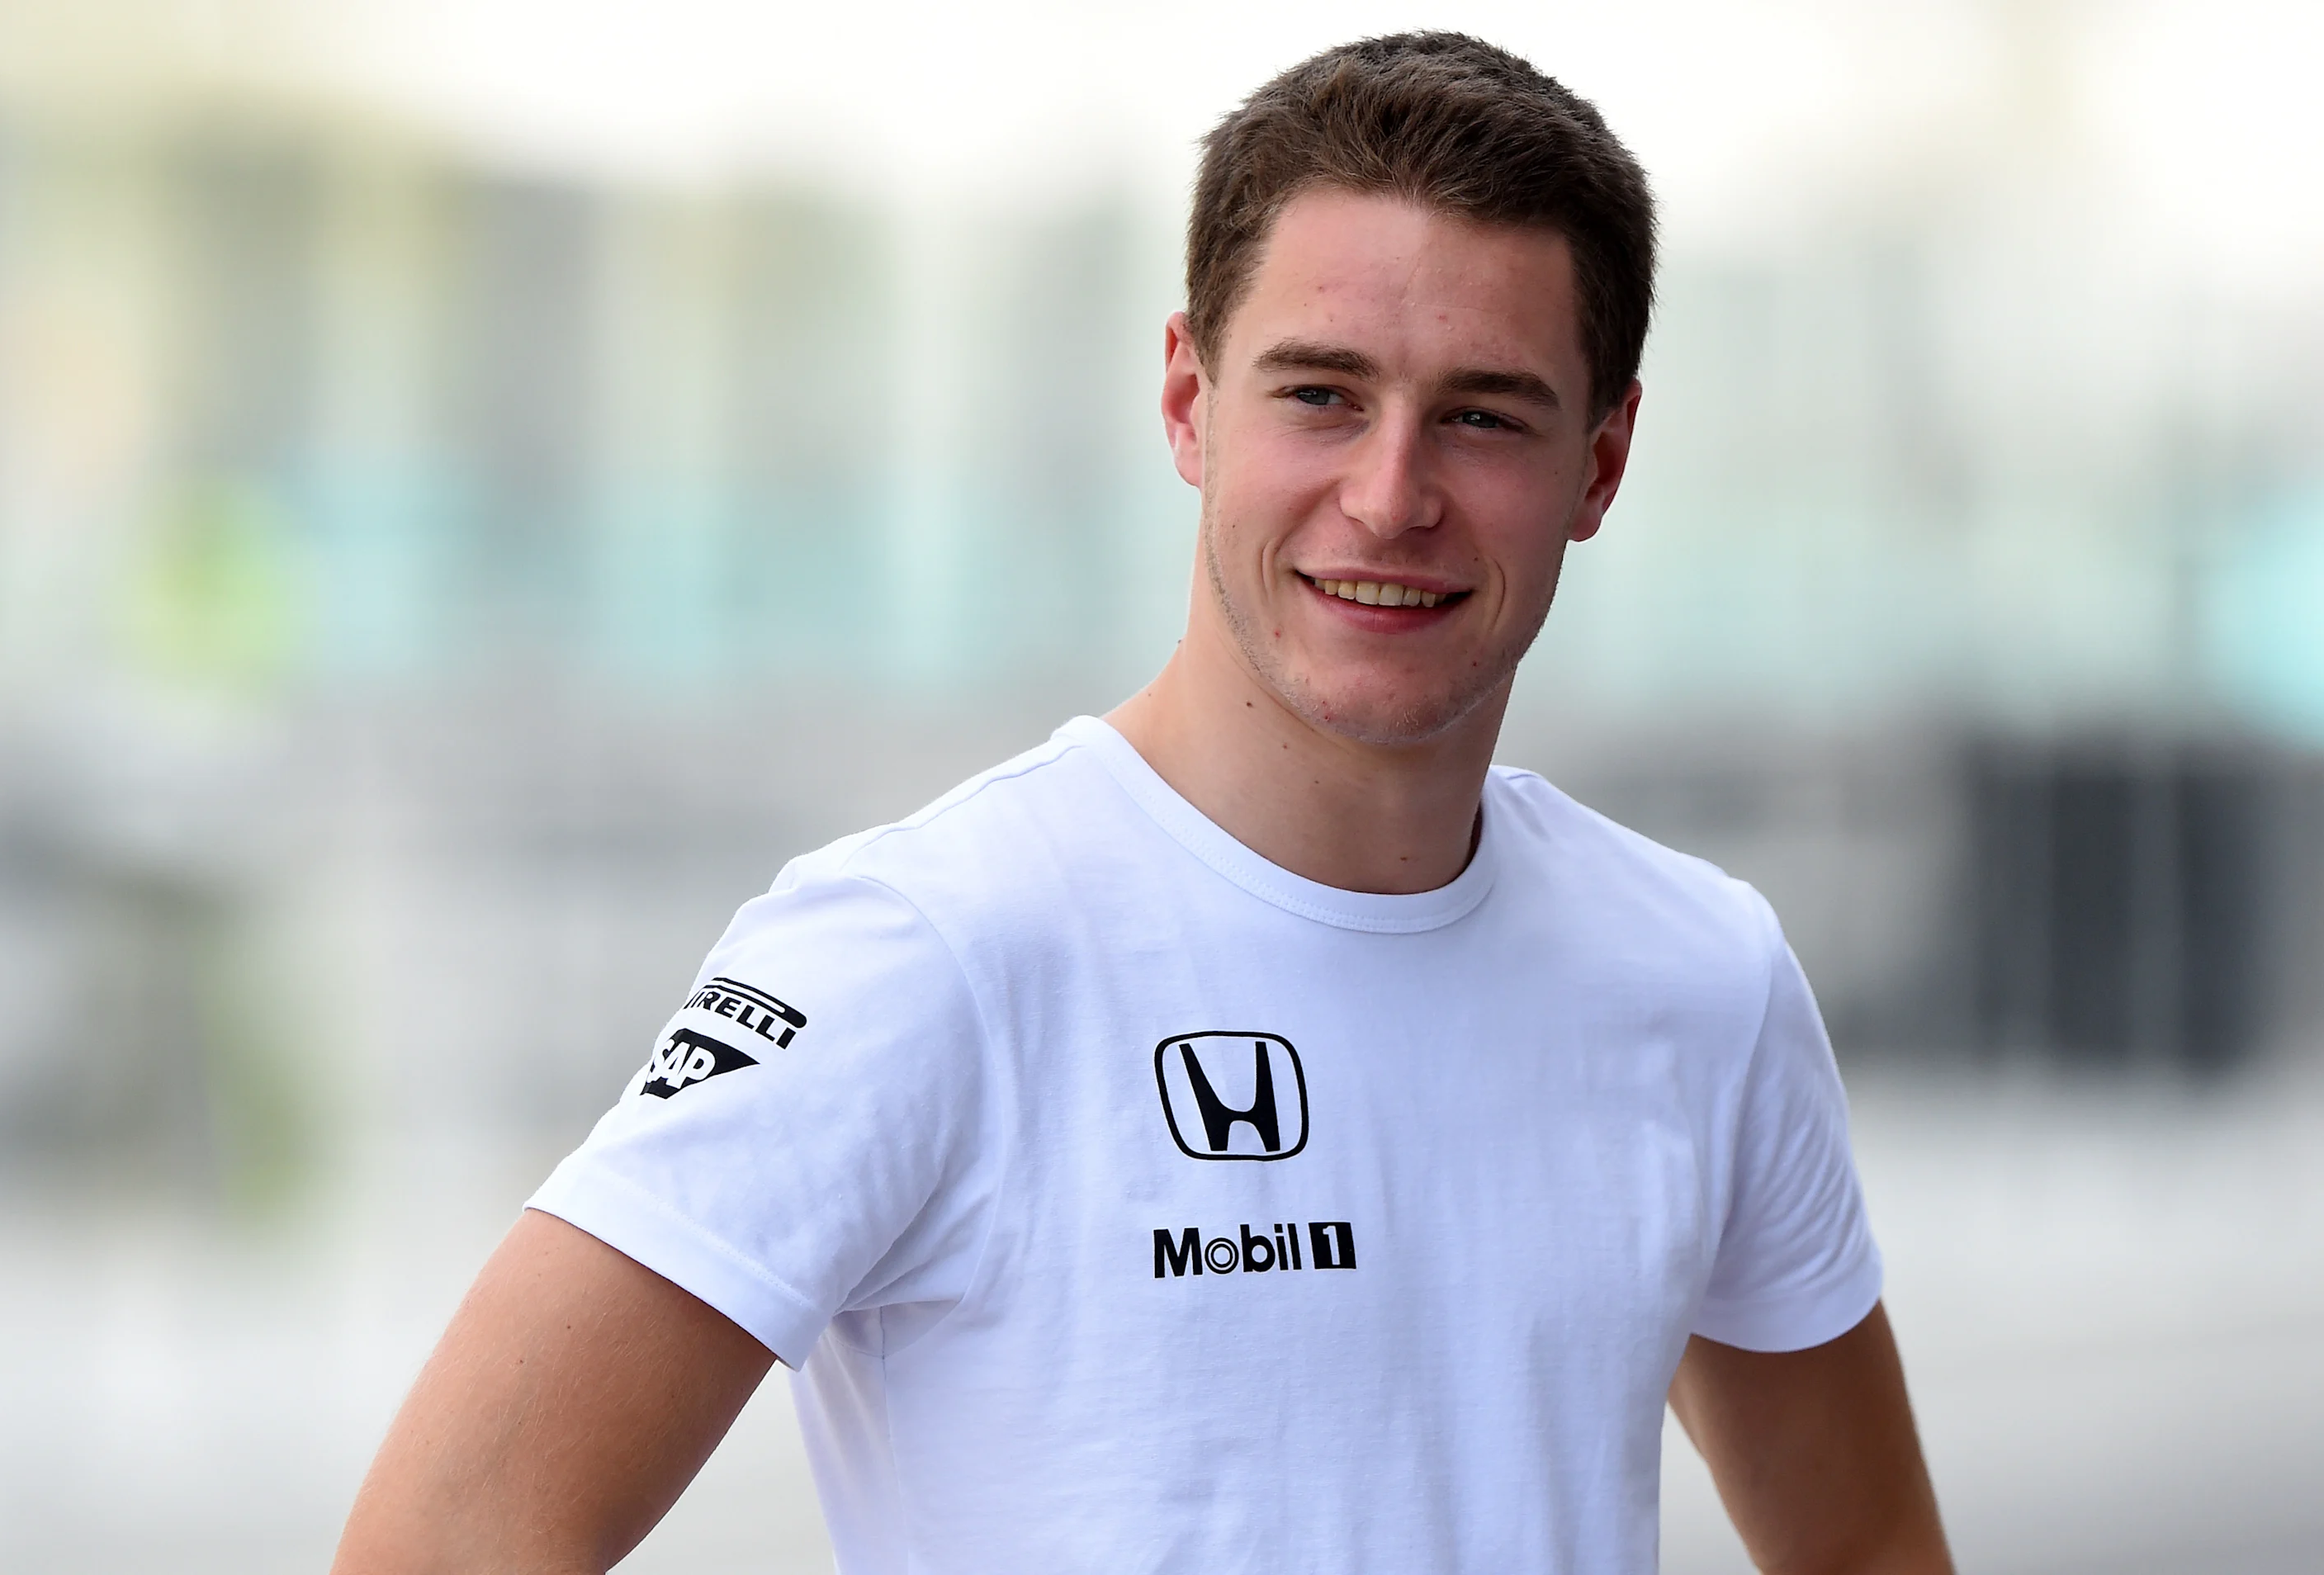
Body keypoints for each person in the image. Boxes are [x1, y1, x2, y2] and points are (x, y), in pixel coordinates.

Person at [333, 31, 1952, 1575]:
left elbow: (1867, 1546)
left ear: (1598, 466)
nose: (1388, 496)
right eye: (1319, 394)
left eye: (1480, 414)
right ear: (1188, 403)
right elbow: (444, 1541)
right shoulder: (926, 947)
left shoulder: (1698, 975)